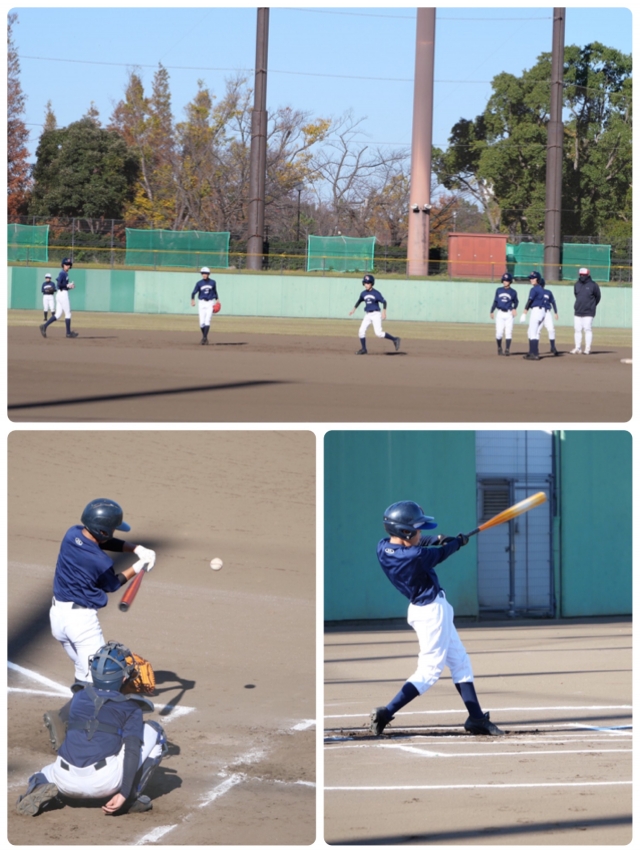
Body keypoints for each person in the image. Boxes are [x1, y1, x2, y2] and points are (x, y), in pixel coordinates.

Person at [369, 501, 504, 737]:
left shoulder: (383, 547)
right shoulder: (415, 557)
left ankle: (476, 718)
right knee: (430, 671)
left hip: (427, 609)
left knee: (460, 661)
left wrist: (438, 538)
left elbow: (420, 543)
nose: (421, 534)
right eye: (417, 530)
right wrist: (457, 543)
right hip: (431, 612)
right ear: (404, 531)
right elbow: (439, 553)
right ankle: (386, 713)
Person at [43, 499, 156, 752]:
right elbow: (112, 584)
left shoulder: (73, 533)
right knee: (100, 680)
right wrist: (138, 566)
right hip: (80, 623)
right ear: (102, 530)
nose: (113, 533)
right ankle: (63, 721)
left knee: (84, 673)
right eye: (111, 529)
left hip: (58, 617)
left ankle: (70, 720)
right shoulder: (99, 561)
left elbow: (106, 541)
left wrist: (136, 548)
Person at [16, 641, 168, 817]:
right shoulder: (131, 708)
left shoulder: (79, 696)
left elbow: (62, 718)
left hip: (64, 780)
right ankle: (130, 798)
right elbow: (132, 750)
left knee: (41, 773)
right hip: (104, 783)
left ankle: (40, 787)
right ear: (123, 678)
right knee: (154, 731)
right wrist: (124, 793)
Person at [348, 274, 401, 355]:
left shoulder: (376, 293)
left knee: (378, 333)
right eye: (365, 283)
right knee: (361, 331)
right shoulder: (363, 293)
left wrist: (384, 312)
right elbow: (359, 301)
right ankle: (364, 349)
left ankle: (395, 339)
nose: (366, 284)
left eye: (368, 283)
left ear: (372, 283)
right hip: (368, 315)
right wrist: (353, 310)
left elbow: (384, 302)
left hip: (376, 314)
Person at [39, 258, 78, 339]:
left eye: (69, 265)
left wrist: (69, 286)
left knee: (58, 314)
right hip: (63, 294)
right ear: (63, 265)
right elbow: (59, 285)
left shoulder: (65, 273)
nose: (68, 266)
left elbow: (63, 286)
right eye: (66, 264)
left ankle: (44, 326)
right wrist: (67, 285)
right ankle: (68, 333)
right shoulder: (62, 273)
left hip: (60, 294)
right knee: (68, 313)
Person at [571, 267, 601, 355]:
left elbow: (598, 297)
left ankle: (587, 348)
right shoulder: (577, 284)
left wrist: (591, 305)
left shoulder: (593, 285)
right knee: (577, 330)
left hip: (589, 311)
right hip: (578, 311)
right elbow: (576, 295)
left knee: (587, 329)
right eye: (581, 275)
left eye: (584, 275)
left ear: (588, 275)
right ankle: (578, 348)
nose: (582, 276)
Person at [489, 272, 518, 355]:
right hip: (500, 313)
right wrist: (492, 311)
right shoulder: (499, 290)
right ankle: (499, 347)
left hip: (509, 313)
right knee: (499, 333)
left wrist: (514, 308)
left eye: (507, 280)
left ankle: (507, 349)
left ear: (510, 281)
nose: (505, 282)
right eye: (504, 280)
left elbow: (516, 302)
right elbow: (495, 301)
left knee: (508, 332)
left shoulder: (513, 292)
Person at [520, 270, 546, 360]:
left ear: (537, 279)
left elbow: (529, 301)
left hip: (536, 311)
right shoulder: (541, 289)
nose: (531, 279)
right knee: (532, 332)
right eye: (530, 278)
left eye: (533, 278)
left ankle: (534, 354)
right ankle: (532, 352)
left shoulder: (534, 289)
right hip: (542, 311)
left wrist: (524, 313)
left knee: (533, 333)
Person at [190, 266, 220, 345]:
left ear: (208, 274)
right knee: (201, 323)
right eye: (203, 273)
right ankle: (205, 337)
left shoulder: (213, 282)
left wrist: (217, 299)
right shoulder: (199, 283)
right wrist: (192, 300)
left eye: (205, 273)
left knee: (207, 321)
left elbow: (215, 291)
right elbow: (193, 292)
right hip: (201, 303)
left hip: (210, 302)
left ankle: (204, 338)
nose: (204, 275)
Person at [541, 281, 559, 356]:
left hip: (547, 313)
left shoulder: (548, 292)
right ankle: (534, 349)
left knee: (551, 329)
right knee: (536, 331)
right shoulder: (535, 292)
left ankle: (553, 347)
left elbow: (553, 302)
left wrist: (556, 312)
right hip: (539, 312)